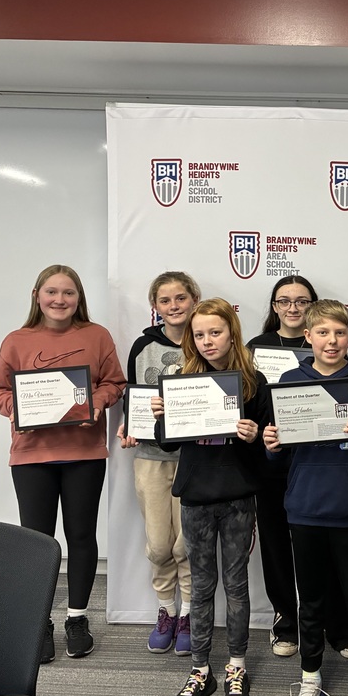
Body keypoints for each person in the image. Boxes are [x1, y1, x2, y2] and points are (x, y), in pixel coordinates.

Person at [0, 264, 127, 662]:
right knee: (38, 541)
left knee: (81, 536)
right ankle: (39, 622)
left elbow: (114, 383)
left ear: (79, 298)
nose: (60, 300)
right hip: (31, 455)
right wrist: (18, 409)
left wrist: (95, 403)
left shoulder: (97, 336)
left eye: (69, 293)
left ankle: (77, 618)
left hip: (83, 453)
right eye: (52, 292)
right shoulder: (16, 340)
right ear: (37, 296)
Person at [263, 299, 348, 696]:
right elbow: (279, 454)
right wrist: (272, 447)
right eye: (322, 333)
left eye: (339, 332)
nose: (331, 341)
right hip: (304, 508)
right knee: (311, 603)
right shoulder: (289, 380)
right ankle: (310, 680)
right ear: (308, 336)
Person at [157, 299, 270, 696]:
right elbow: (166, 442)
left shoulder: (253, 382)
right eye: (199, 334)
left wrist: (254, 435)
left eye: (215, 332)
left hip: (238, 498)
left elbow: (269, 444)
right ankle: (200, 671)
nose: (207, 341)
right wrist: (162, 416)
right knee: (202, 587)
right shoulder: (181, 379)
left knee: (236, 586)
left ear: (232, 334)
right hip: (196, 498)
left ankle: (236, 667)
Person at [246, 276, 348, 661]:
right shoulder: (255, 347)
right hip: (272, 462)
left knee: (325, 549)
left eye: (301, 301)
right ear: (274, 306)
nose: (292, 307)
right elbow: (246, 401)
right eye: (284, 301)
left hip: (317, 463)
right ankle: (285, 622)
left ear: (312, 307)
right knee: (276, 547)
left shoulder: (327, 348)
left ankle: (336, 625)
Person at [117, 271, 200, 655]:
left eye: (181, 298)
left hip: (195, 458)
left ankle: (189, 616)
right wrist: (129, 424)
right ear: (155, 306)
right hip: (151, 457)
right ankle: (167, 609)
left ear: (194, 299)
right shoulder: (142, 346)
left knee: (187, 545)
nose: (174, 306)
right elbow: (132, 396)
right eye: (165, 300)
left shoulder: (206, 340)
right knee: (158, 545)